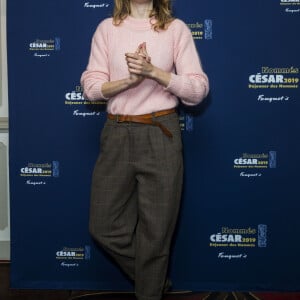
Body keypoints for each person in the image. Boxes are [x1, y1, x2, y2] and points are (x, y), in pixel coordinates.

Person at [80, 0, 209, 299]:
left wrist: (155, 72)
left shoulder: (175, 30)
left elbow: (198, 90)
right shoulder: (106, 29)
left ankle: (149, 289)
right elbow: (90, 86)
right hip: (117, 133)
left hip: (161, 132)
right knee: (103, 226)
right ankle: (153, 281)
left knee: (156, 233)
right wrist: (129, 81)